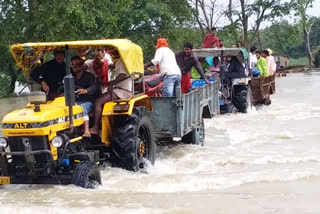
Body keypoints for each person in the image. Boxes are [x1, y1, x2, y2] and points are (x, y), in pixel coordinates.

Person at [90, 56, 132, 135]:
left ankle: (95, 127)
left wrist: (111, 83)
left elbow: (122, 76)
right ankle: (98, 123)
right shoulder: (118, 61)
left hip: (122, 90)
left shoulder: (121, 61)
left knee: (98, 101)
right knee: (99, 99)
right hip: (118, 88)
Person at [71, 56, 99, 137]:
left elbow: (94, 87)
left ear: (82, 65)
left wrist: (86, 90)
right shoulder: (70, 77)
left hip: (88, 101)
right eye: (73, 64)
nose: (74, 66)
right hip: (74, 101)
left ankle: (86, 131)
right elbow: (64, 88)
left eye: (77, 64)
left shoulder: (90, 76)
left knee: (82, 108)